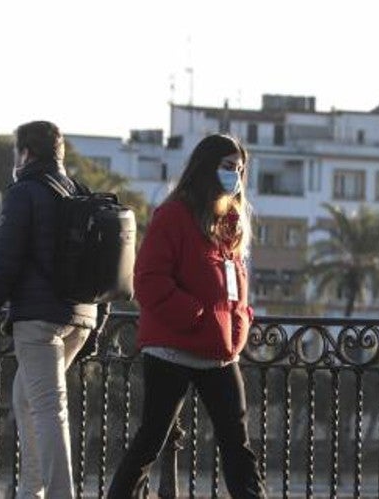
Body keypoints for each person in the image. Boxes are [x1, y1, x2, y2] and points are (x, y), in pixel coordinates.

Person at [107, 134, 265, 499]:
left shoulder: (230, 222)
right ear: (206, 167)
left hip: (221, 352)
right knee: (151, 440)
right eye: (228, 167)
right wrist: (196, 316)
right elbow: (148, 280)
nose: (235, 175)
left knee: (237, 445)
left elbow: (234, 287)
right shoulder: (173, 215)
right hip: (173, 350)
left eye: (240, 169)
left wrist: (240, 322)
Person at [0, 120, 109, 499]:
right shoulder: (79, 192)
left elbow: (4, 265)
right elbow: (106, 266)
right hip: (80, 318)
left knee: (48, 409)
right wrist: (96, 326)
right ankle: (33, 492)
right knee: (25, 397)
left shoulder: (25, 192)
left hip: (39, 320)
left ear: (25, 153)